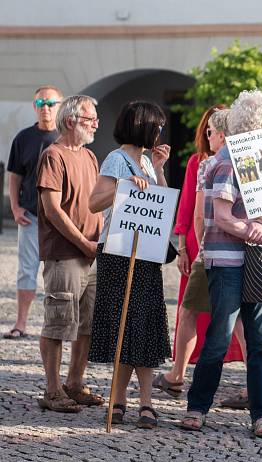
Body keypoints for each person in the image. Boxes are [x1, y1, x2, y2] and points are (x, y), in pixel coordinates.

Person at [180, 89, 262, 438]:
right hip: (227, 261)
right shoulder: (227, 162)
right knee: (219, 337)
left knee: (258, 341)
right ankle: (197, 407)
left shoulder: (259, 159)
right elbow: (224, 218)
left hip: (255, 260)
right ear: (255, 125)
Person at [153, 105, 248, 402]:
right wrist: (182, 245)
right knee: (229, 313)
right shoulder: (202, 161)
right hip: (216, 244)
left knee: (195, 312)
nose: (208, 134)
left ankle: (178, 376)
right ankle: (179, 374)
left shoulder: (213, 164)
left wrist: (196, 248)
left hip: (208, 246)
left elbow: (196, 213)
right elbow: (185, 209)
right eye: (206, 129)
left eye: (212, 129)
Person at [87, 101, 171, 429]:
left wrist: (160, 169)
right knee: (125, 328)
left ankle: (146, 402)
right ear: (143, 126)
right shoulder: (116, 159)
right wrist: (124, 187)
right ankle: (119, 400)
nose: (160, 132)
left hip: (147, 251)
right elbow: (95, 202)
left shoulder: (147, 162)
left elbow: (164, 205)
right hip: (119, 253)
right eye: (157, 127)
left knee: (144, 328)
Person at [35, 94, 104, 413]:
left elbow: (96, 203)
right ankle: (52, 390)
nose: (96, 124)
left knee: (86, 325)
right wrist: (85, 244)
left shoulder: (89, 157)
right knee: (58, 323)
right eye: (91, 119)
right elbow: (53, 210)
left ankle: (75, 383)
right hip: (65, 254)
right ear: (71, 120)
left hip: (91, 253)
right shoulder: (53, 155)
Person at [5, 85, 62, 340]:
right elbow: (15, 176)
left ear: (59, 106)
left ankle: (56, 327)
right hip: (29, 215)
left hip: (58, 219)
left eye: (50, 103)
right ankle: (21, 323)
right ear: (34, 107)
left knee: (57, 271)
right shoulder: (23, 138)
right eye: (41, 104)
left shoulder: (65, 139)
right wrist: (15, 207)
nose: (46, 109)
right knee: (26, 269)